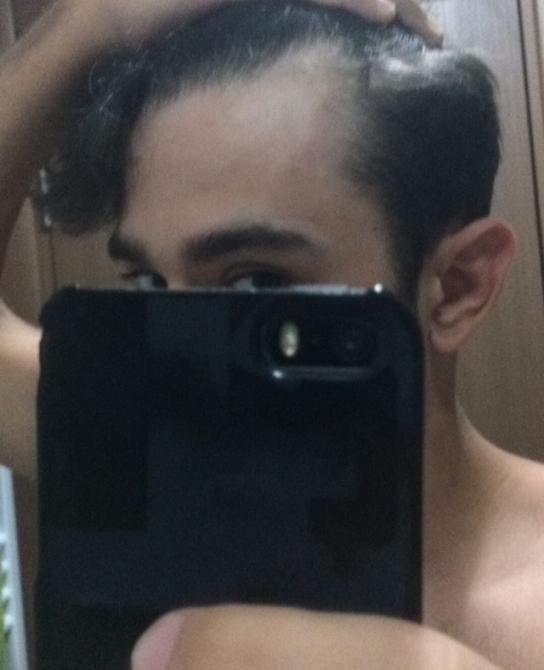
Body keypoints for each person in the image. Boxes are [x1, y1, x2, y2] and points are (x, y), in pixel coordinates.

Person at [0, 1, 543, 669]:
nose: (180, 363)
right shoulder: (148, 453)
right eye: (148, 285)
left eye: (257, 282)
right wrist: (91, 24)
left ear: (458, 287)